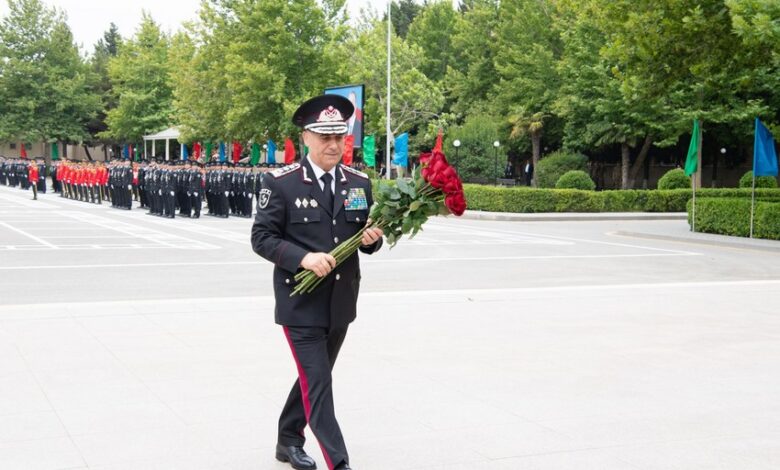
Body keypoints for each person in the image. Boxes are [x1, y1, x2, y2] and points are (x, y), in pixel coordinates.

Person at [251, 94, 383, 470]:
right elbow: (261, 238)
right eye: (325, 137)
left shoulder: (358, 183)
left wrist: (373, 239)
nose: (334, 145)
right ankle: (339, 462)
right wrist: (303, 258)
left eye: (339, 137)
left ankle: (288, 439)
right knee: (319, 384)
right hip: (301, 304)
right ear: (306, 137)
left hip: (340, 303)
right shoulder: (281, 183)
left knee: (314, 379)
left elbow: (364, 237)